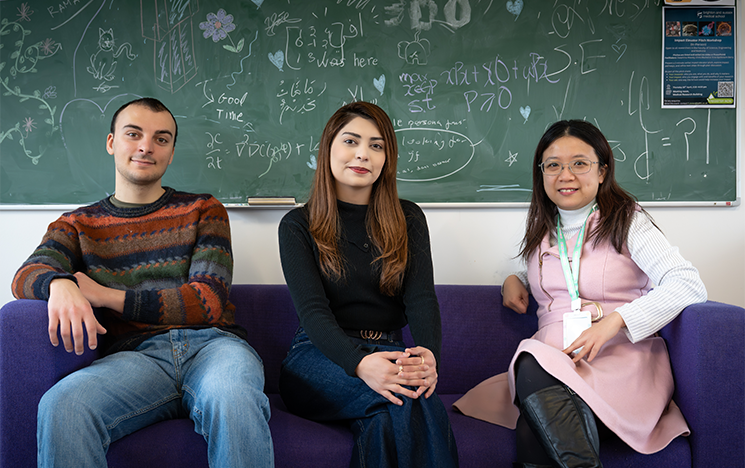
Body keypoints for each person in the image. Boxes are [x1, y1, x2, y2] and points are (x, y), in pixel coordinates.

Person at [12, 97, 274, 468]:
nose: (146, 146)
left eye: (161, 139)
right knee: (63, 405)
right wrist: (61, 284)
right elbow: (25, 276)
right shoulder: (76, 224)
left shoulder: (204, 209)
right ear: (111, 142)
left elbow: (207, 300)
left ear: (170, 152)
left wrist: (105, 295)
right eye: (133, 134)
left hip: (215, 348)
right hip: (135, 359)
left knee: (233, 399)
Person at [453, 120, 707, 468]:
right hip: (555, 365)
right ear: (541, 174)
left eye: (579, 163)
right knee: (536, 398)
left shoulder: (628, 221)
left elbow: (687, 283)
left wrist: (616, 321)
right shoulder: (541, 231)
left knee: (530, 377)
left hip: (618, 363)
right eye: (553, 164)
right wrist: (511, 279)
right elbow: (555, 278)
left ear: (602, 171)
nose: (565, 174)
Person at [277, 101, 459, 468]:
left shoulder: (407, 218)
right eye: (351, 141)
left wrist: (428, 354)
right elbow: (313, 313)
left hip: (390, 350)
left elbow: (421, 297)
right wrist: (360, 364)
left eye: (377, 145)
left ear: (387, 159)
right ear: (328, 149)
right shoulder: (298, 225)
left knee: (388, 413)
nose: (363, 154)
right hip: (317, 358)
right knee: (408, 398)